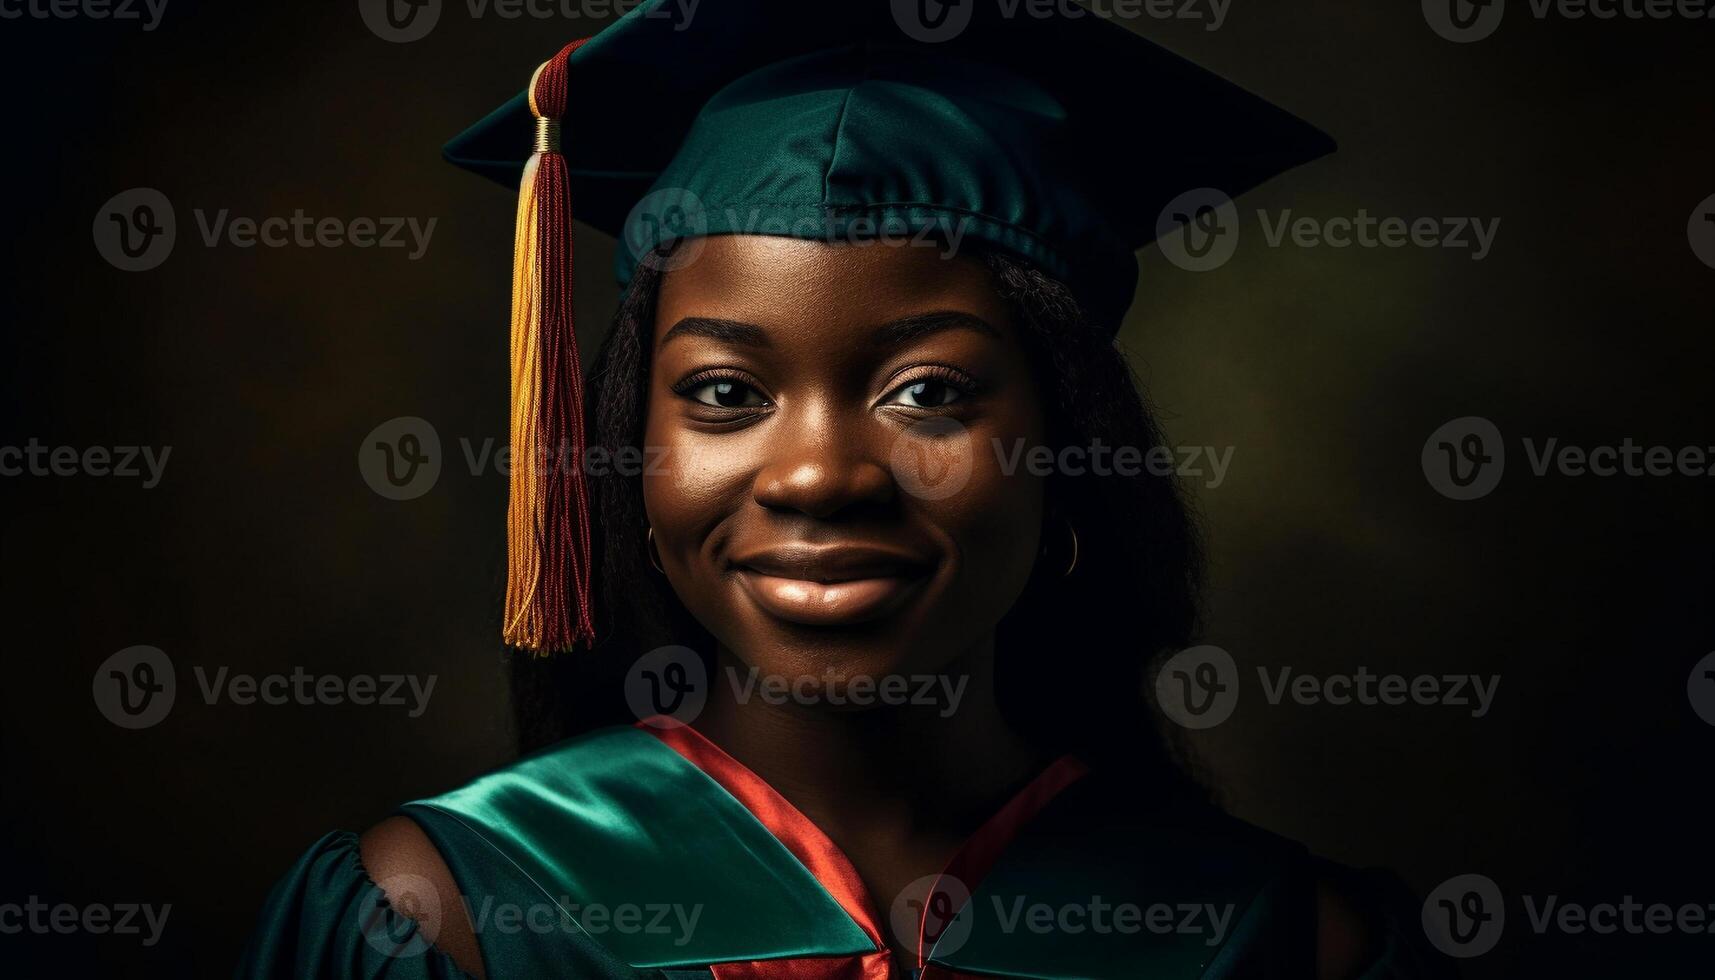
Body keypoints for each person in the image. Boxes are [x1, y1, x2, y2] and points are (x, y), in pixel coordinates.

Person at [241, 2, 1448, 976]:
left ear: (1071, 448)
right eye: (722, 392)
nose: (818, 473)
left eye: (928, 392)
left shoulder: (1278, 938)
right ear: (627, 449)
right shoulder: (452, 911)